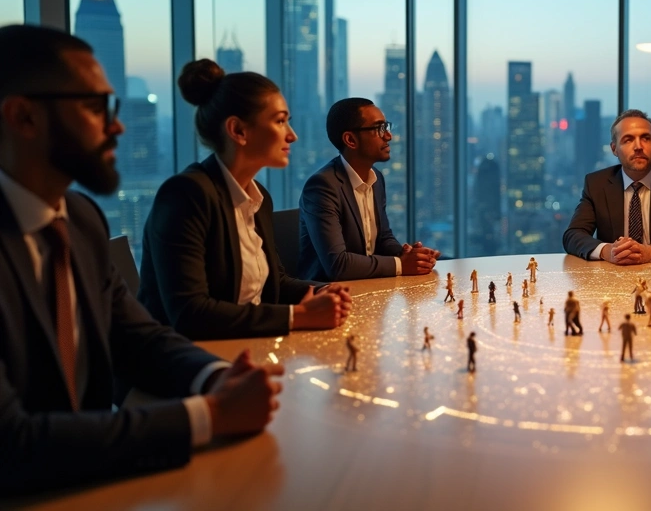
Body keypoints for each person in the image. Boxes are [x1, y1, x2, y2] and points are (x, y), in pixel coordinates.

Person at [0, 25, 284, 493]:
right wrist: (209, 415)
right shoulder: (184, 194)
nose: (118, 126)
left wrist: (217, 378)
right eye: (96, 108)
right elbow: (12, 444)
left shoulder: (80, 220)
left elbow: (137, 336)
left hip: (95, 480)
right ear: (23, 117)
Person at [139, 59, 351, 340]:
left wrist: (322, 291)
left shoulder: (258, 198)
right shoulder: (186, 195)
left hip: (244, 346)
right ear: (238, 130)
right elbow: (189, 314)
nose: (292, 135)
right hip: (188, 358)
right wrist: (299, 316)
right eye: (280, 121)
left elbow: (274, 283)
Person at [298, 98, 439, 282]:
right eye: (379, 128)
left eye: (386, 127)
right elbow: (337, 265)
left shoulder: (376, 178)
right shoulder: (322, 186)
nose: (388, 136)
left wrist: (411, 255)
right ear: (350, 140)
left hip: (367, 284)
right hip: (328, 292)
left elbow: (383, 238)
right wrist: (401, 265)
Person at [563, 110, 651, 264]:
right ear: (614, 149)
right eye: (628, 140)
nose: (638, 146)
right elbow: (573, 235)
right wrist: (607, 251)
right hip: (613, 273)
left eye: (645, 138)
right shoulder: (597, 184)